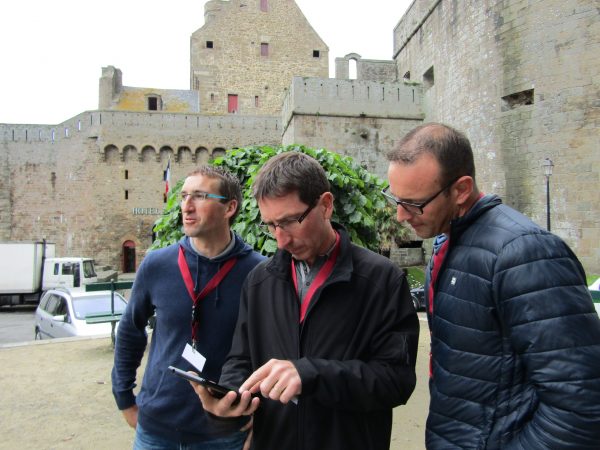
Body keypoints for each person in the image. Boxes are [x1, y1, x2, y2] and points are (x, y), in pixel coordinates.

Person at [385, 123, 600, 449]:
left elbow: (581, 404)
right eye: (395, 199)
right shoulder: (449, 241)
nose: (401, 215)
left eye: (413, 203)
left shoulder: (524, 253)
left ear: (460, 189)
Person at [191, 151, 419, 450]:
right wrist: (230, 399)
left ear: (325, 205)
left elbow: (396, 381)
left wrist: (311, 374)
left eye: (290, 221)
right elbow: (241, 359)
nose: (280, 240)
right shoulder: (259, 281)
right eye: (270, 225)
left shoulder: (382, 280)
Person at [111, 165, 265, 449]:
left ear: (230, 207)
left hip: (225, 432)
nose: (187, 206)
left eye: (199, 196)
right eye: (184, 196)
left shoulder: (259, 273)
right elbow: (131, 332)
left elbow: (272, 350)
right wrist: (124, 400)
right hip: (156, 429)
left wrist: (263, 420)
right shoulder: (157, 265)